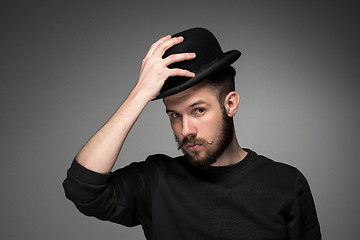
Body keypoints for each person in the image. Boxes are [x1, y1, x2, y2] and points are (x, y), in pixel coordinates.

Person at [63, 27, 321, 239]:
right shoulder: (156, 180)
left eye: (198, 110)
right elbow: (82, 187)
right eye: (175, 115)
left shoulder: (286, 184)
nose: (185, 130)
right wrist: (139, 94)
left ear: (230, 104)